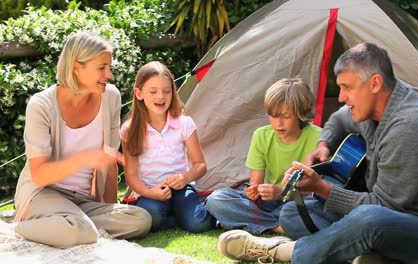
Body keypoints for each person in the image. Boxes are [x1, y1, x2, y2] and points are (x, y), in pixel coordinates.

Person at [216, 43, 418, 263]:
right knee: (294, 213)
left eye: (347, 88)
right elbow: (338, 119)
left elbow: (385, 207)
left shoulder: (409, 126)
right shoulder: (376, 107)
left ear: (375, 83)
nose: (341, 97)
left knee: (368, 218)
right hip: (386, 220)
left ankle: (281, 252)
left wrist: (321, 188)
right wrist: (324, 144)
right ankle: (365, 256)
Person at [6, 32, 152, 249]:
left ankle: (72, 226)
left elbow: (108, 162)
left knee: (140, 219)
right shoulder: (41, 105)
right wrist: (85, 158)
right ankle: (10, 230)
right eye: (101, 68)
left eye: (109, 67)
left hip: (82, 202)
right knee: (79, 229)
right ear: (76, 67)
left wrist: (109, 208)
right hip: (42, 193)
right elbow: (39, 174)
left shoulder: (110, 97)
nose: (109, 74)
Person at [206, 78, 322, 235]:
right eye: (273, 116)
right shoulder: (261, 135)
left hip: (299, 201)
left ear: (301, 114)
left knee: (306, 209)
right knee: (217, 199)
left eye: (286, 116)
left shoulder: (319, 137)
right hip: (269, 203)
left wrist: (281, 193)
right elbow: (255, 185)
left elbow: (319, 191)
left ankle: (249, 223)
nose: (278, 123)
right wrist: (253, 192)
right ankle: (279, 227)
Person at [121, 61, 214, 233]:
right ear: (139, 93)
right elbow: (132, 175)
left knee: (199, 224)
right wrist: (150, 193)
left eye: (167, 91)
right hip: (150, 191)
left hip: (181, 188)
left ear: (173, 92)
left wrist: (184, 178)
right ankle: (177, 216)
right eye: (153, 91)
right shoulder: (129, 129)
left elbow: (200, 165)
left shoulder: (184, 123)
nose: (161, 97)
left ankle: (185, 212)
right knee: (152, 216)